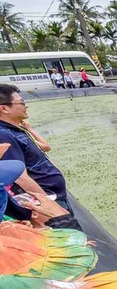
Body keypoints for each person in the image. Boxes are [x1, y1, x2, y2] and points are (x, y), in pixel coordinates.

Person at [0, 84, 74, 214]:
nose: (25, 105)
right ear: (4, 108)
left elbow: (45, 148)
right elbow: (20, 177)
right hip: (47, 201)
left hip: (54, 197)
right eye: (21, 102)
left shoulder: (15, 130)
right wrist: (51, 207)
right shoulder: (4, 135)